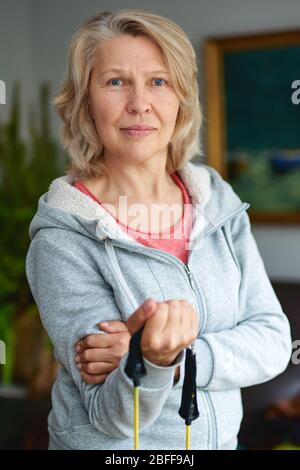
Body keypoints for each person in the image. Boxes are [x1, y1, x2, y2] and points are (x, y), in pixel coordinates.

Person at [25, 9, 292, 450]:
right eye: (115, 82)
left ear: (182, 98)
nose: (139, 103)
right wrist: (151, 359)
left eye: (158, 81)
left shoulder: (216, 201)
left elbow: (273, 340)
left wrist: (170, 360)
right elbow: (111, 418)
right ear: (85, 100)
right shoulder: (63, 237)